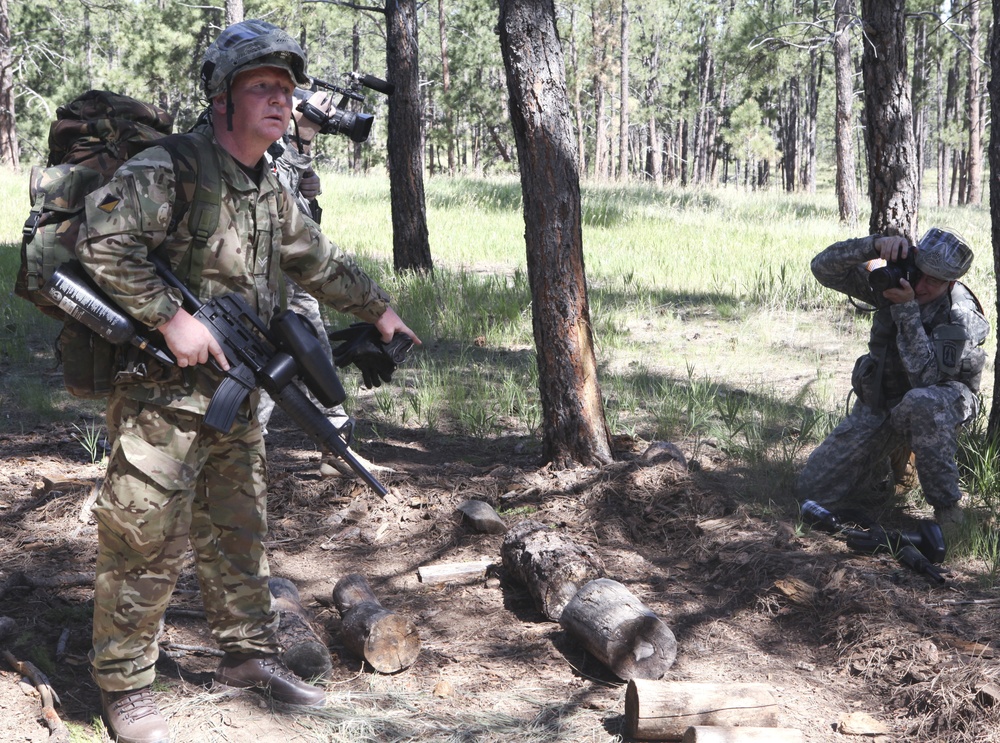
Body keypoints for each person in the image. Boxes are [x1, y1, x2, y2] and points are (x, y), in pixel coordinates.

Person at [76, 19, 420, 743]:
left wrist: (380, 310)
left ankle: (246, 656)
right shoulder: (173, 167)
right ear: (224, 97)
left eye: (286, 90)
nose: (279, 100)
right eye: (261, 87)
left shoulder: (270, 185)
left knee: (239, 529)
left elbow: (317, 261)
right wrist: (171, 318)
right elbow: (99, 239)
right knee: (145, 537)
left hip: (235, 393)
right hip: (163, 397)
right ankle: (126, 683)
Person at [797, 228, 988, 539]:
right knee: (811, 490)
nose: (922, 285)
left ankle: (948, 511)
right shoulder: (898, 279)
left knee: (921, 403)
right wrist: (871, 246)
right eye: (920, 274)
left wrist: (906, 309)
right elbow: (822, 268)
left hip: (942, 402)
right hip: (885, 400)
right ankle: (896, 457)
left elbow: (925, 379)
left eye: (934, 282)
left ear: (951, 283)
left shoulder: (960, 316)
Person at [261, 90, 391, 478]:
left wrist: (306, 188)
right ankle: (239, 454)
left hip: (293, 273)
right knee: (260, 360)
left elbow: (295, 217)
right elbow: (265, 200)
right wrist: (302, 140)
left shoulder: (279, 143)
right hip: (256, 274)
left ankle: (336, 447)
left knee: (313, 353)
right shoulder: (248, 138)